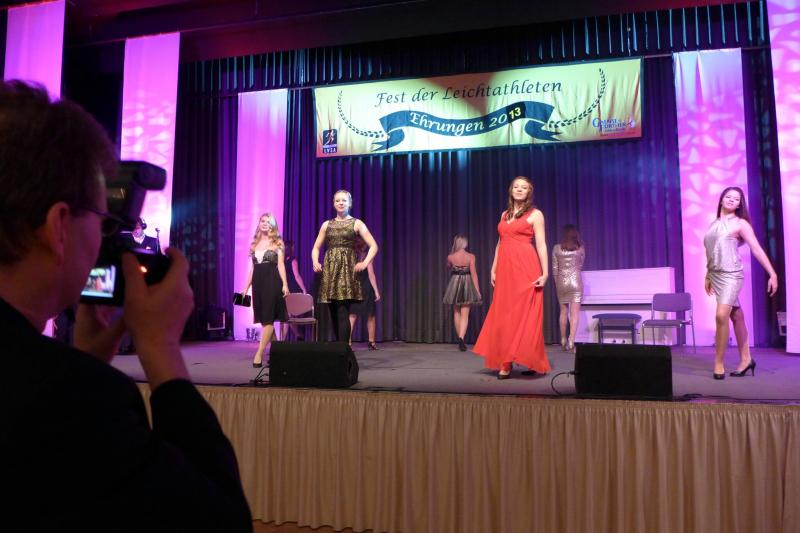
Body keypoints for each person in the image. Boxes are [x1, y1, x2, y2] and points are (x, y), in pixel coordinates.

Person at [0, 81, 251, 529]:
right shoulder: (78, 400)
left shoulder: (65, 386)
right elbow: (220, 522)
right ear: (59, 226)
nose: (105, 240)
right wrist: (162, 351)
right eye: (103, 221)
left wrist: (80, 361)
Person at [473, 176, 550, 379]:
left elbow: (541, 244)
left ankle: (526, 359)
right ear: (511, 190)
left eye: (524, 187)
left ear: (529, 192)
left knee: (526, 315)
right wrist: (493, 268)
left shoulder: (536, 215)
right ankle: (505, 361)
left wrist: (545, 273)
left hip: (526, 267)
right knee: (504, 314)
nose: (519, 189)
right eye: (516, 186)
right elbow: (500, 243)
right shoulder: (504, 214)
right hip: (506, 269)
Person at [704, 186, 778, 380]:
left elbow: (757, 249)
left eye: (736, 199)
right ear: (721, 199)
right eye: (728, 196)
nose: (731, 200)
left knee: (721, 316)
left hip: (731, 275)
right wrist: (708, 274)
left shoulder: (741, 223)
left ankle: (718, 363)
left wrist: (772, 273)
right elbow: (711, 251)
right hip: (716, 275)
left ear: (739, 204)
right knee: (736, 315)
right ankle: (746, 360)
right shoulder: (713, 224)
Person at [312, 190, 378, 342]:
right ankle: (339, 347)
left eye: (344, 200)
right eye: (337, 200)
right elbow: (316, 247)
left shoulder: (357, 223)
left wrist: (365, 262)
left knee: (343, 311)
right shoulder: (326, 225)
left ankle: (343, 348)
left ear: (350, 203)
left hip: (347, 272)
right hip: (331, 272)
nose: (340, 203)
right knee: (333, 311)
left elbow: (374, 245)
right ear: (333, 203)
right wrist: (315, 261)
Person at [240, 213, 289, 367]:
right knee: (264, 320)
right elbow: (253, 269)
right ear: (259, 223)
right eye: (263, 221)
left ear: (273, 225)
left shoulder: (278, 243)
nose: (265, 223)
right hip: (258, 284)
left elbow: (281, 265)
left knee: (268, 319)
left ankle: (259, 354)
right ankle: (279, 353)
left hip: (272, 282)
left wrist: (285, 284)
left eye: (268, 221)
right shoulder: (254, 244)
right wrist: (246, 287)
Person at [442, 234, 482, 351]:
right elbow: (474, 274)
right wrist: (477, 290)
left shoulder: (450, 257)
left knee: (456, 311)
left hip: (454, 283)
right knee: (465, 313)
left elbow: (449, 267)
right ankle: (461, 338)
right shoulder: (471, 256)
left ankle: (461, 339)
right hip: (467, 283)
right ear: (465, 243)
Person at [552, 224, 585, 352]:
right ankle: (571, 341)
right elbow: (580, 265)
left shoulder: (556, 248)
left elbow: (555, 269)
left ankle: (563, 339)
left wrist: (557, 284)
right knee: (574, 313)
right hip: (576, 282)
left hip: (562, 282)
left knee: (563, 312)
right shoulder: (580, 248)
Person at [349, 238, 381, 349]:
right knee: (371, 315)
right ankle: (371, 342)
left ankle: (348, 342)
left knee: (352, 315)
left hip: (354, 287)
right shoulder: (367, 256)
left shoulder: (349, 255)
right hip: (366, 288)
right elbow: (371, 274)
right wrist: (376, 291)